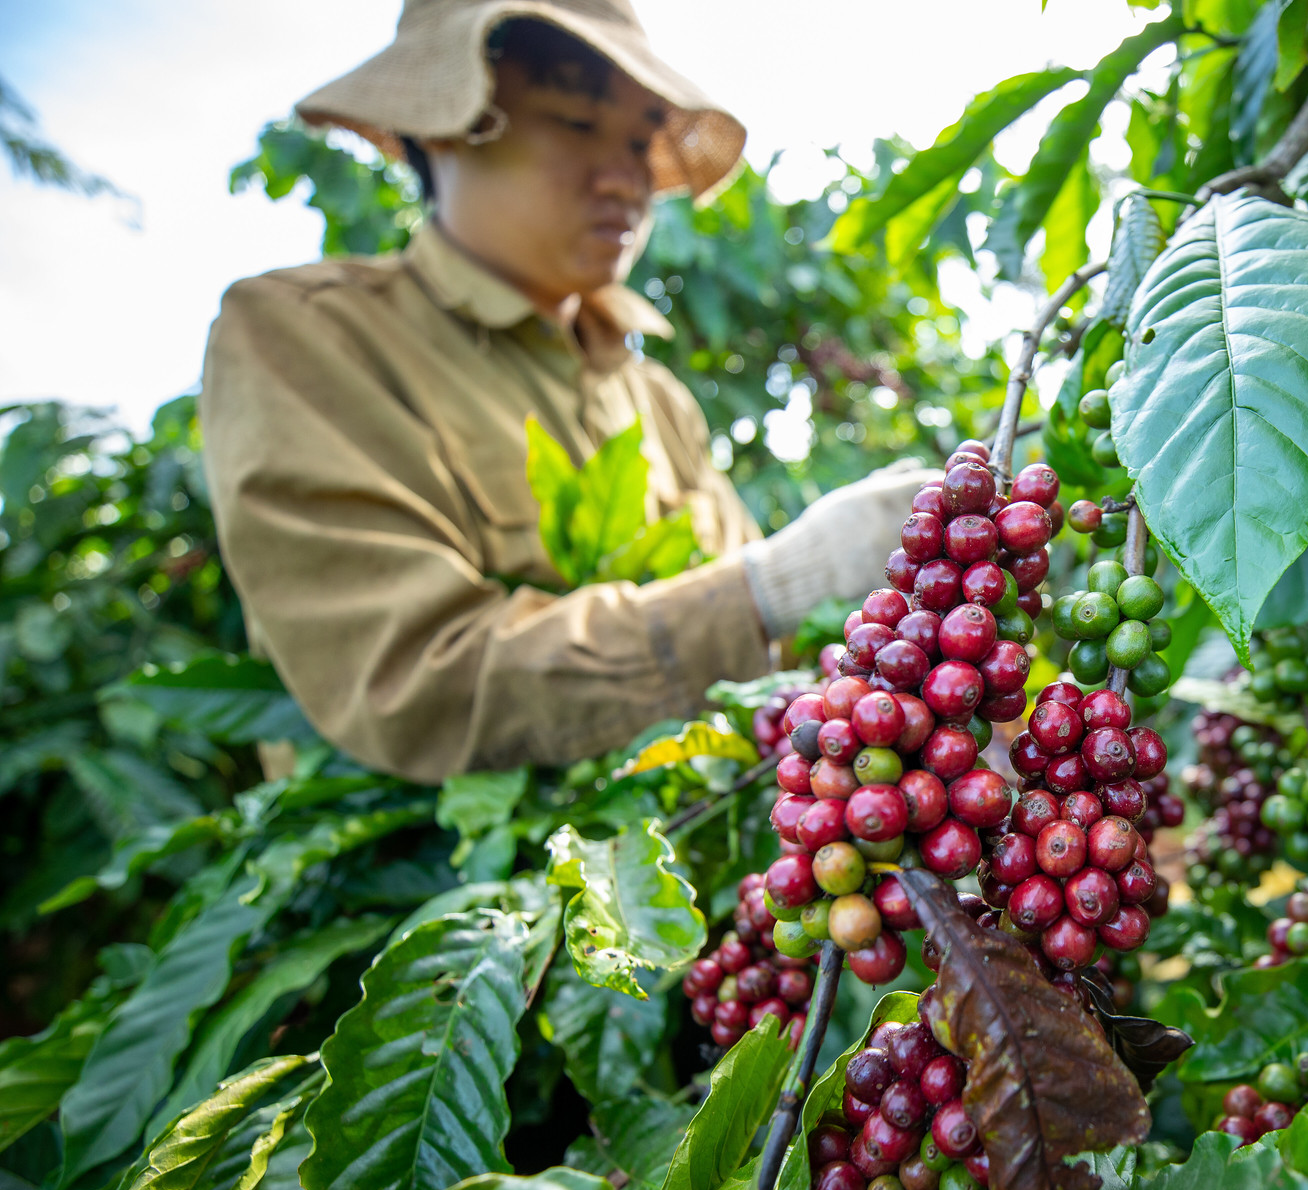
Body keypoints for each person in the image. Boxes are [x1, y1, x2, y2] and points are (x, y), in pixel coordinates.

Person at [199, 0, 922, 784]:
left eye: (642, 140)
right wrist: (775, 585)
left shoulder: (655, 397)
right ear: (445, 126)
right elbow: (415, 684)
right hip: (452, 898)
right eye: (576, 123)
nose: (628, 179)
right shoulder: (308, 336)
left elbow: (780, 665)